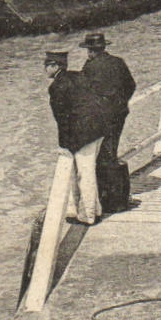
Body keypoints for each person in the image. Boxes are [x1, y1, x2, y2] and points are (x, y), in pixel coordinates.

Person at [45, 50, 112, 226]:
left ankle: (88, 215)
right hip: (98, 129)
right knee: (88, 171)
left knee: (85, 173)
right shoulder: (77, 76)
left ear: (55, 66)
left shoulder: (56, 87)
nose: (45, 69)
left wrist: (64, 146)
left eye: (47, 65)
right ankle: (94, 210)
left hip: (84, 134)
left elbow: (62, 118)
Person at [81, 32, 136, 212]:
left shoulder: (90, 67)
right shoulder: (118, 62)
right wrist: (120, 102)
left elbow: (84, 92)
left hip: (100, 117)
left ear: (90, 51)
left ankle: (111, 199)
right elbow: (131, 85)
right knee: (111, 151)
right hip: (119, 113)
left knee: (102, 155)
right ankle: (118, 196)